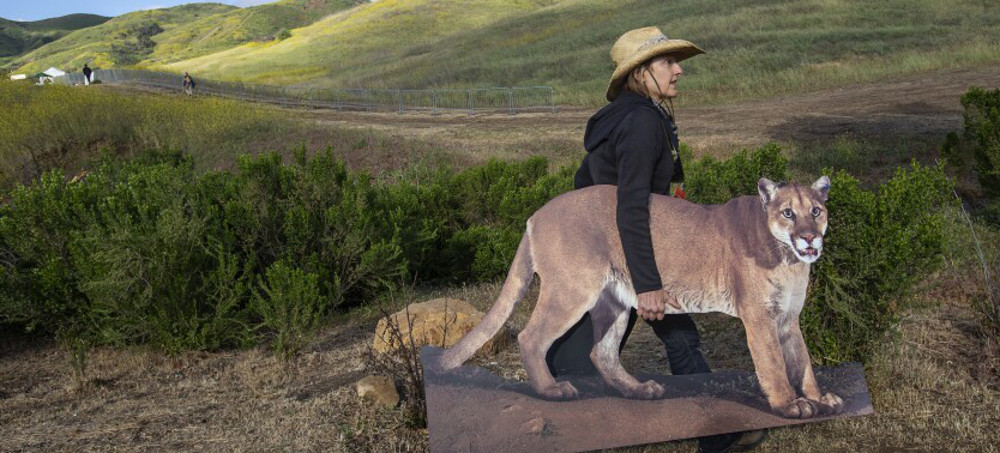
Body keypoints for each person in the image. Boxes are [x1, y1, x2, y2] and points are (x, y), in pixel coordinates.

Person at [546, 26, 767, 453]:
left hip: (604, 247)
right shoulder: (642, 123)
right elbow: (630, 208)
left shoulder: (638, 115)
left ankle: (567, 413)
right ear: (641, 73)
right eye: (667, 62)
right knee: (676, 333)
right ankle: (715, 431)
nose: (679, 70)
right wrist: (647, 283)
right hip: (615, 250)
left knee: (579, 354)